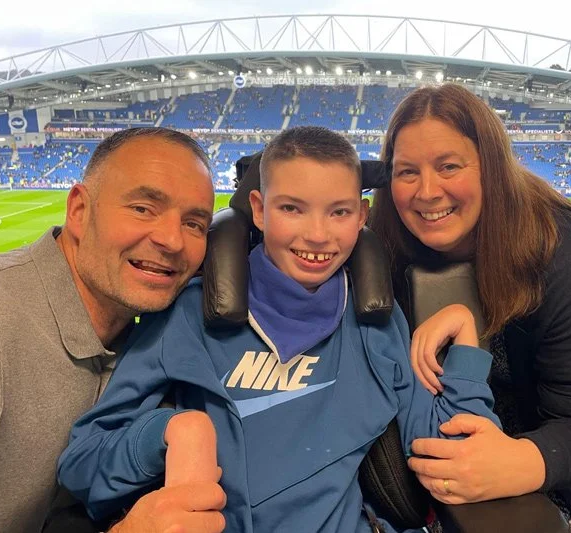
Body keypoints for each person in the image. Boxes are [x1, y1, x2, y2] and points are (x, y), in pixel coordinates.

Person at [57, 126, 501, 532]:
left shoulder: (377, 325)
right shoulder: (187, 316)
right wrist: (173, 430)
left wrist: (465, 336)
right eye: (292, 208)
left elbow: (455, 456)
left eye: (339, 212)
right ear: (260, 211)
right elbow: (83, 465)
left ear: (361, 217)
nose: (317, 235)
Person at [369, 84, 571, 533]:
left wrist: (511, 460)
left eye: (449, 166)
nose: (427, 192)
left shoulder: (559, 245)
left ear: (491, 166)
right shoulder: (383, 241)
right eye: (408, 172)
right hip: (429, 472)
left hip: (543, 486)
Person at [0, 128, 226, 532]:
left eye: (195, 224)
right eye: (143, 208)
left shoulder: (155, 338)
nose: (172, 240)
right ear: (78, 210)